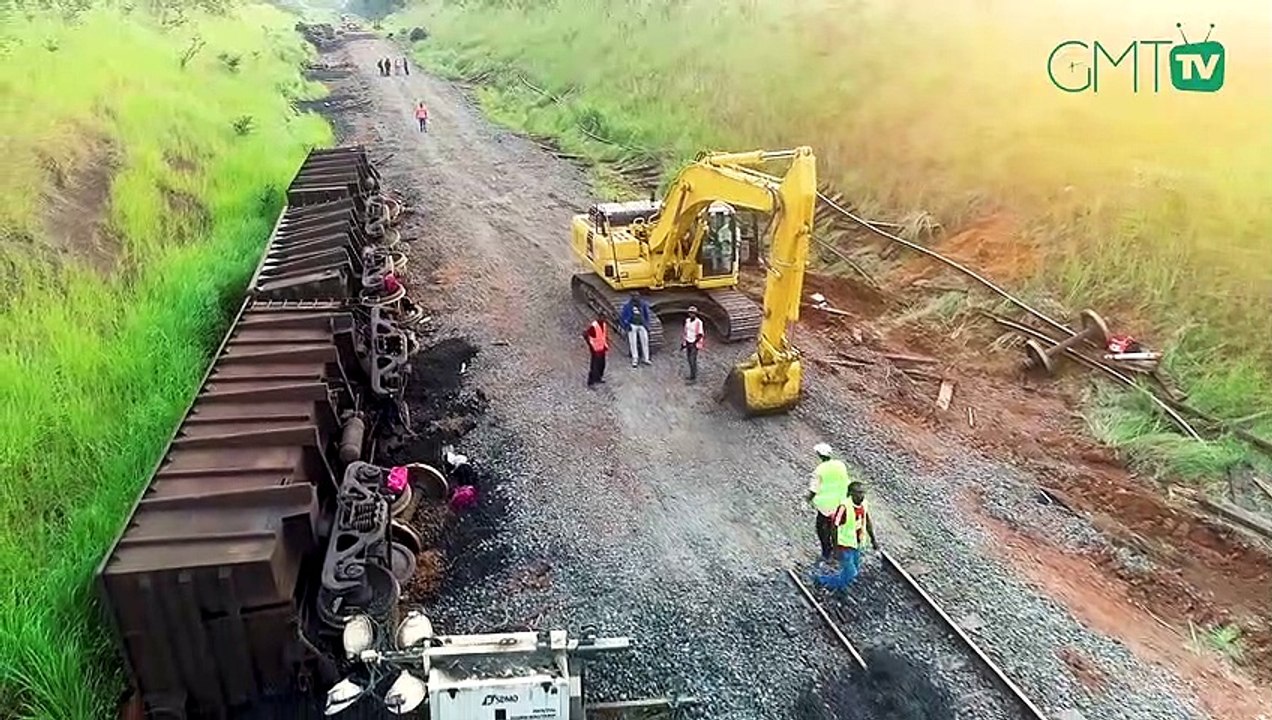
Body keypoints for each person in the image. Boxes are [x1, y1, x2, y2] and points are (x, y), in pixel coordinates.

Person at [813, 481, 880, 591]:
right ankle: (822, 581)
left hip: (857, 543)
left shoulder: (864, 504)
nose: (861, 496)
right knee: (851, 573)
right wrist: (835, 548)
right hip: (845, 545)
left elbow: (867, 520)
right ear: (851, 493)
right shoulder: (844, 507)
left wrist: (873, 540)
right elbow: (834, 526)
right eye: (858, 493)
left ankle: (840, 588)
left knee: (853, 570)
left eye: (863, 493)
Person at [806, 443, 851, 565]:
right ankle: (841, 552)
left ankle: (827, 553)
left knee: (821, 528)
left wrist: (806, 501)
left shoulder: (819, 470)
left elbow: (813, 490)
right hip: (840, 504)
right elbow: (847, 483)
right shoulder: (840, 465)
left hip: (825, 507)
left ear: (819, 455)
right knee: (837, 528)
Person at [619, 291, 652, 368]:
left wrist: (647, 324)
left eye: (637, 296)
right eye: (634, 296)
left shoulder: (642, 304)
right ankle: (635, 358)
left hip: (641, 325)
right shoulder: (627, 306)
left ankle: (646, 358)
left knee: (645, 341)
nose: (636, 298)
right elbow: (623, 317)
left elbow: (646, 314)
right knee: (633, 342)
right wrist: (626, 325)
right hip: (632, 325)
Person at [583, 311, 609, 387]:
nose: (604, 319)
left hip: (602, 348)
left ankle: (598, 378)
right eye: (603, 317)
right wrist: (590, 345)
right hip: (595, 349)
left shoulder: (604, 325)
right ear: (599, 317)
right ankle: (590, 382)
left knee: (602, 364)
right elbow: (585, 334)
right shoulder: (594, 326)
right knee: (594, 365)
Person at [681, 305, 705, 383]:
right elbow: (685, 331)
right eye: (690, 313)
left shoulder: (699, 322)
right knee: (689, 359)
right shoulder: (687, 321)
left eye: (693, 313)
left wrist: (694, 343)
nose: (691, 314)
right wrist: (684, 342)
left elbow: (700, 334)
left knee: (692, 359)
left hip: (694, 343)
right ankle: (692, 374)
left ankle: (693, 377)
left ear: (696, 314)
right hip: (688, 341)